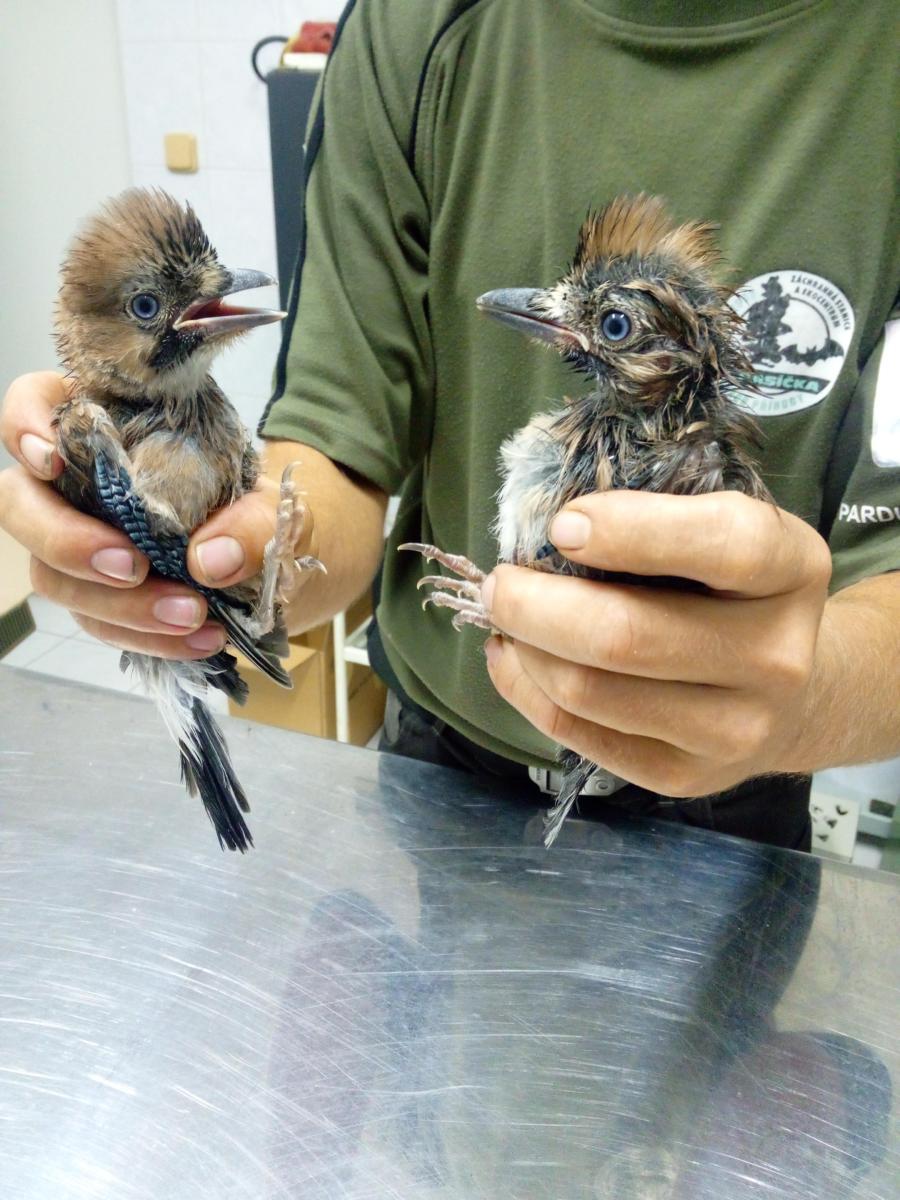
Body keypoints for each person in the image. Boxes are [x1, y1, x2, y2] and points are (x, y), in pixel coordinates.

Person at [2, 0, 898, 852]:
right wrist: (251, 559)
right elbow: (335, 447)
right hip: (443, 766)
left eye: (612, 325)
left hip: (739, 800)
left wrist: (805, 693)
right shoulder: (418, 25)